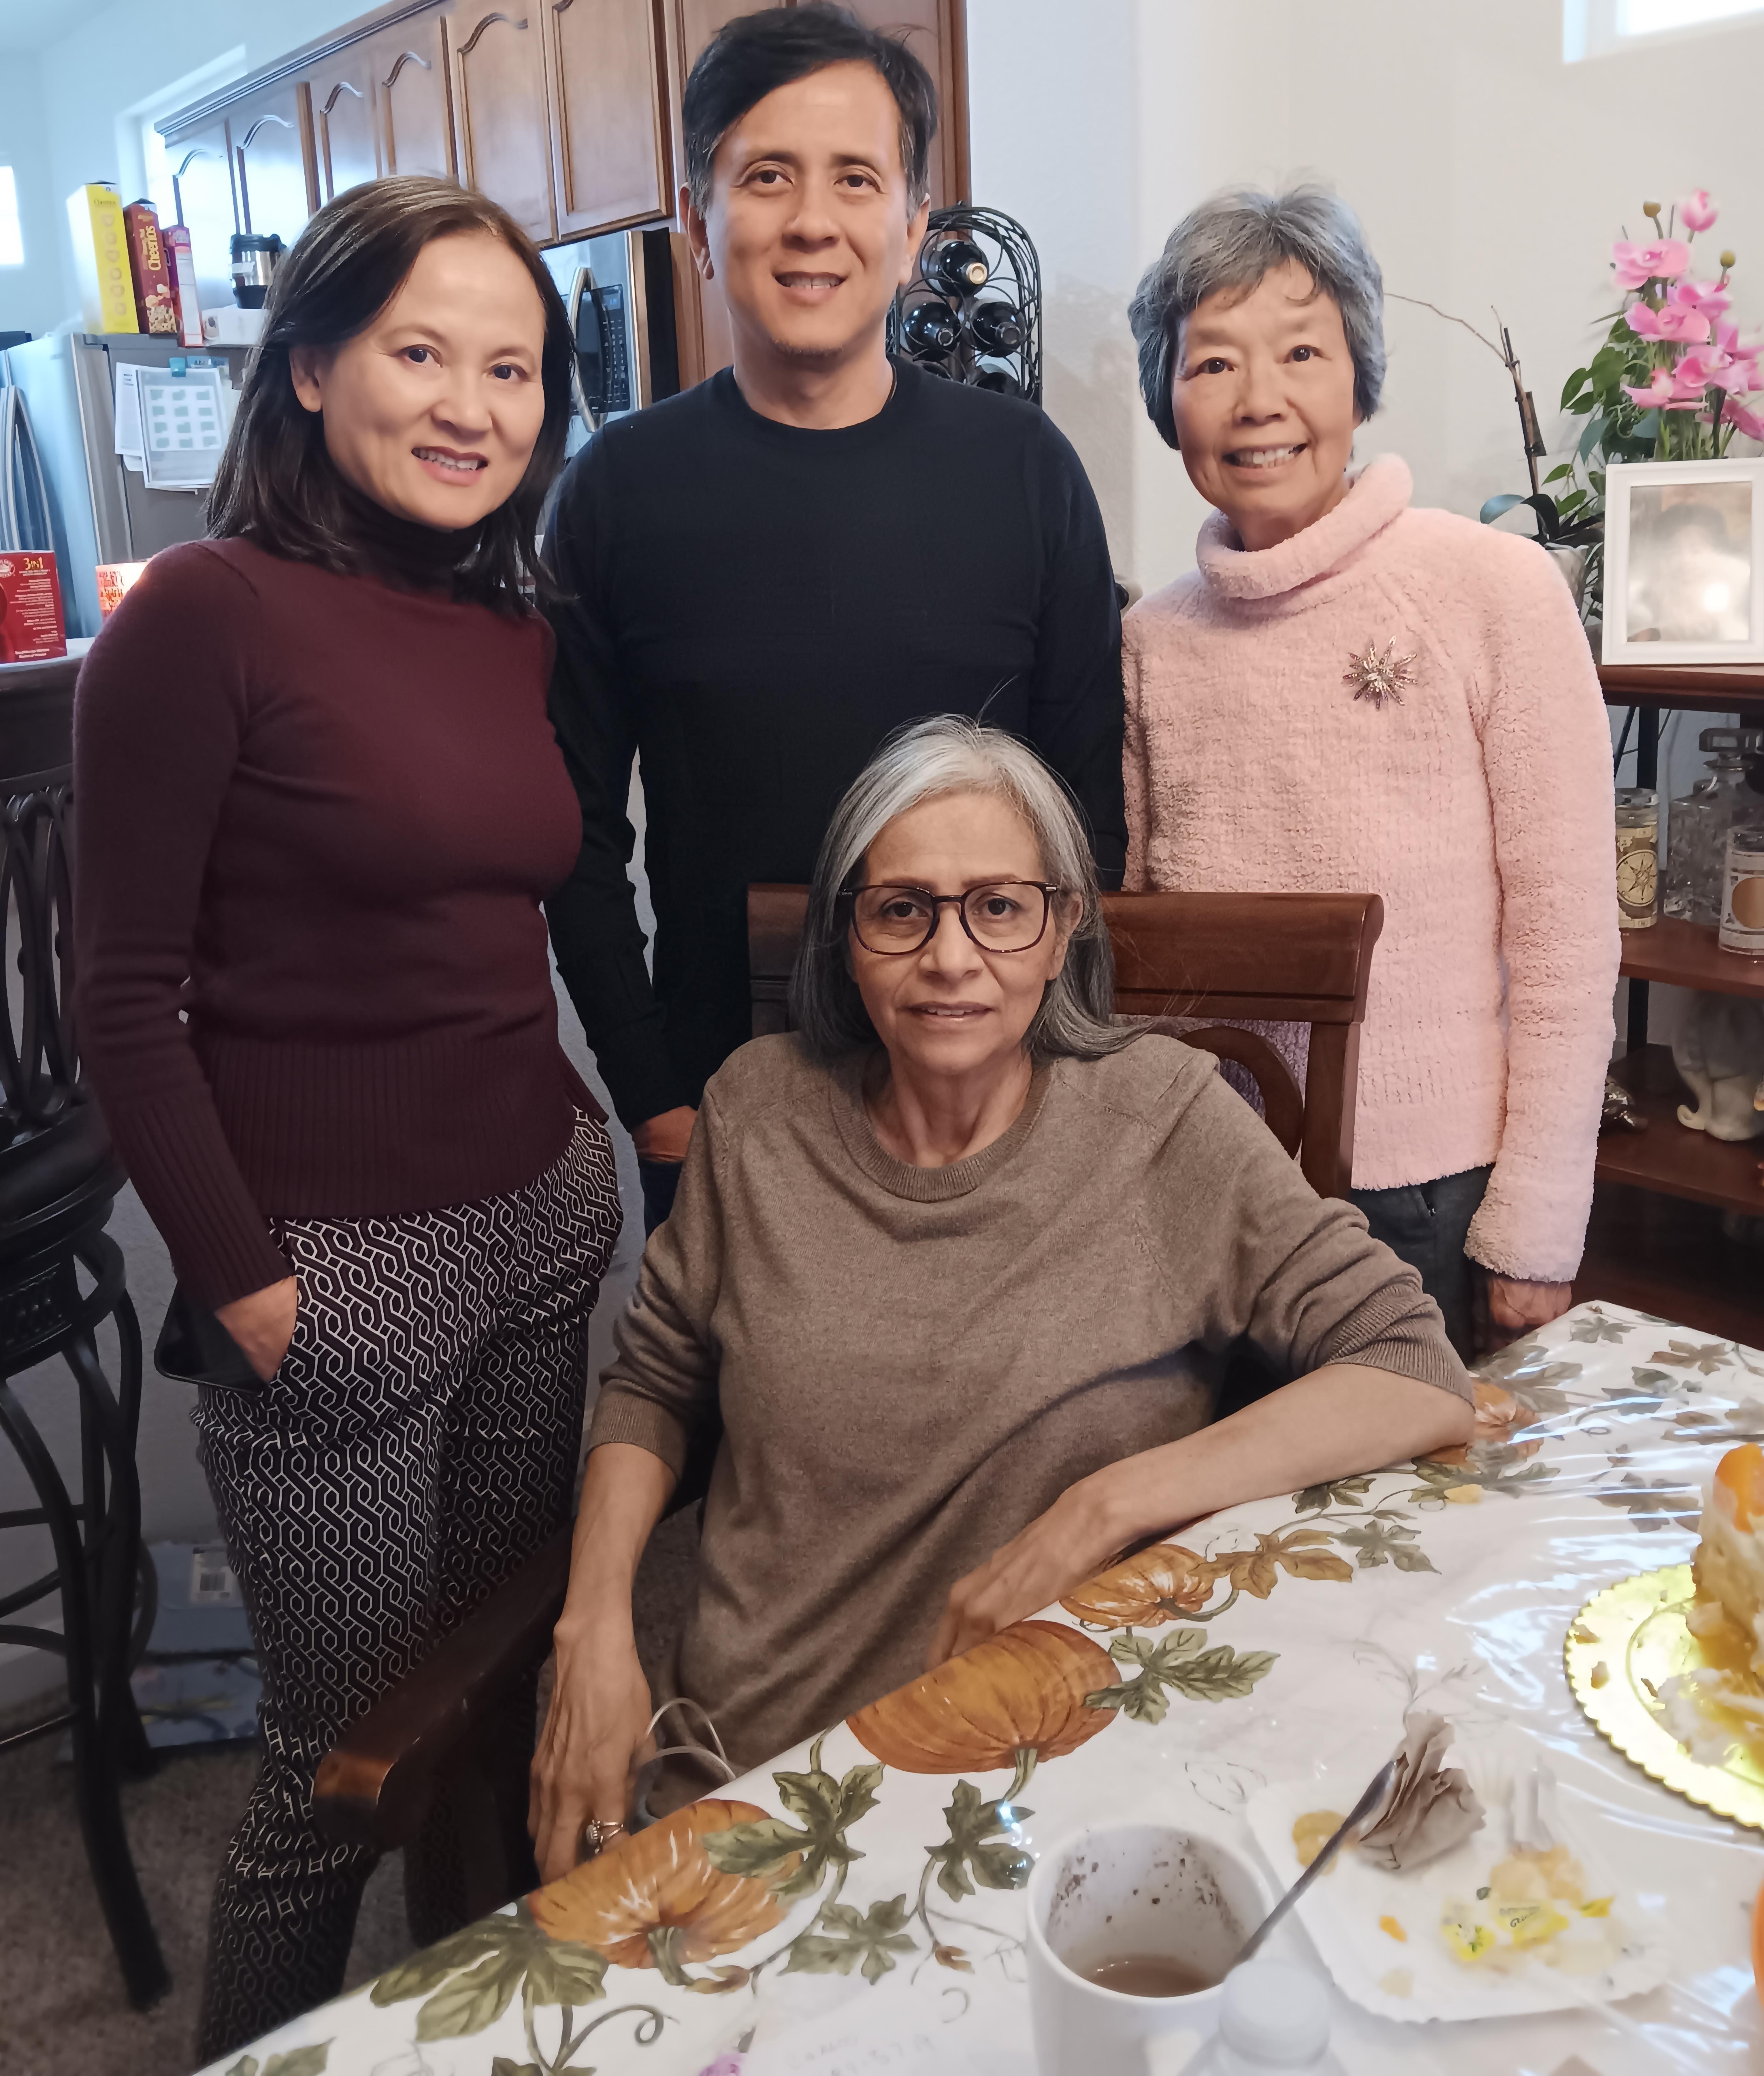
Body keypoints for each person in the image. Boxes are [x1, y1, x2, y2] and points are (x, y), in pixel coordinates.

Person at [527, 717, 1472, 1879]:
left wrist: (1102, 1510)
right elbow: (655, 1377)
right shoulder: (756, 1110)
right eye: (902, 908)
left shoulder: (1165, 1121)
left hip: (1048, 1791)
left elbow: (1414, 1368)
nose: (952, 957)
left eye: (1000, 906)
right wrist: (593, 1631)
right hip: (750, 1769)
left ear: (1063, 926)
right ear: (847, 933)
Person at [74, 177, 623, 2056]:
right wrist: (247, 1284)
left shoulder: (508, 623)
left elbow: (510, 915)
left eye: (515, 368)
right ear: (309, 365)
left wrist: (578, 1142)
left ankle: (475, 2028)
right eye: (421, 353)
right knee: (331, 1779)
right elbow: (120, 999)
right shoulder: (202, 618)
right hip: (338, 1286)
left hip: (541, 1229)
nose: (475, 405)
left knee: (494, 1694)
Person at [543, 3, 1126, 1234]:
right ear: (701, 219)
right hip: (721, 1093)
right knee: (739, 1427)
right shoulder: (616, 491)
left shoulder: (1024, 471)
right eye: (766, 176)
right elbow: (576, 834)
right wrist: (646, 1089)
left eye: (856, 178)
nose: (813, 220)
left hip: (996, 1087)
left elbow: (1087, 813)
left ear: (914, 226)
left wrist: (1067, 1059)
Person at [1122, 186, 1620, 1358]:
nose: (1262, 403)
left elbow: (1565, 935)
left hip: (1429, 1200)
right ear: (1167, 399)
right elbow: (1146, 938)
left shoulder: (1493, 589)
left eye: (1303, 351)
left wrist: (1537, 1225)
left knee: (1422, 1527)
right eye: (1214, 365)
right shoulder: (1155, 636)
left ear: (1359, 375)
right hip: (1213, 1187)